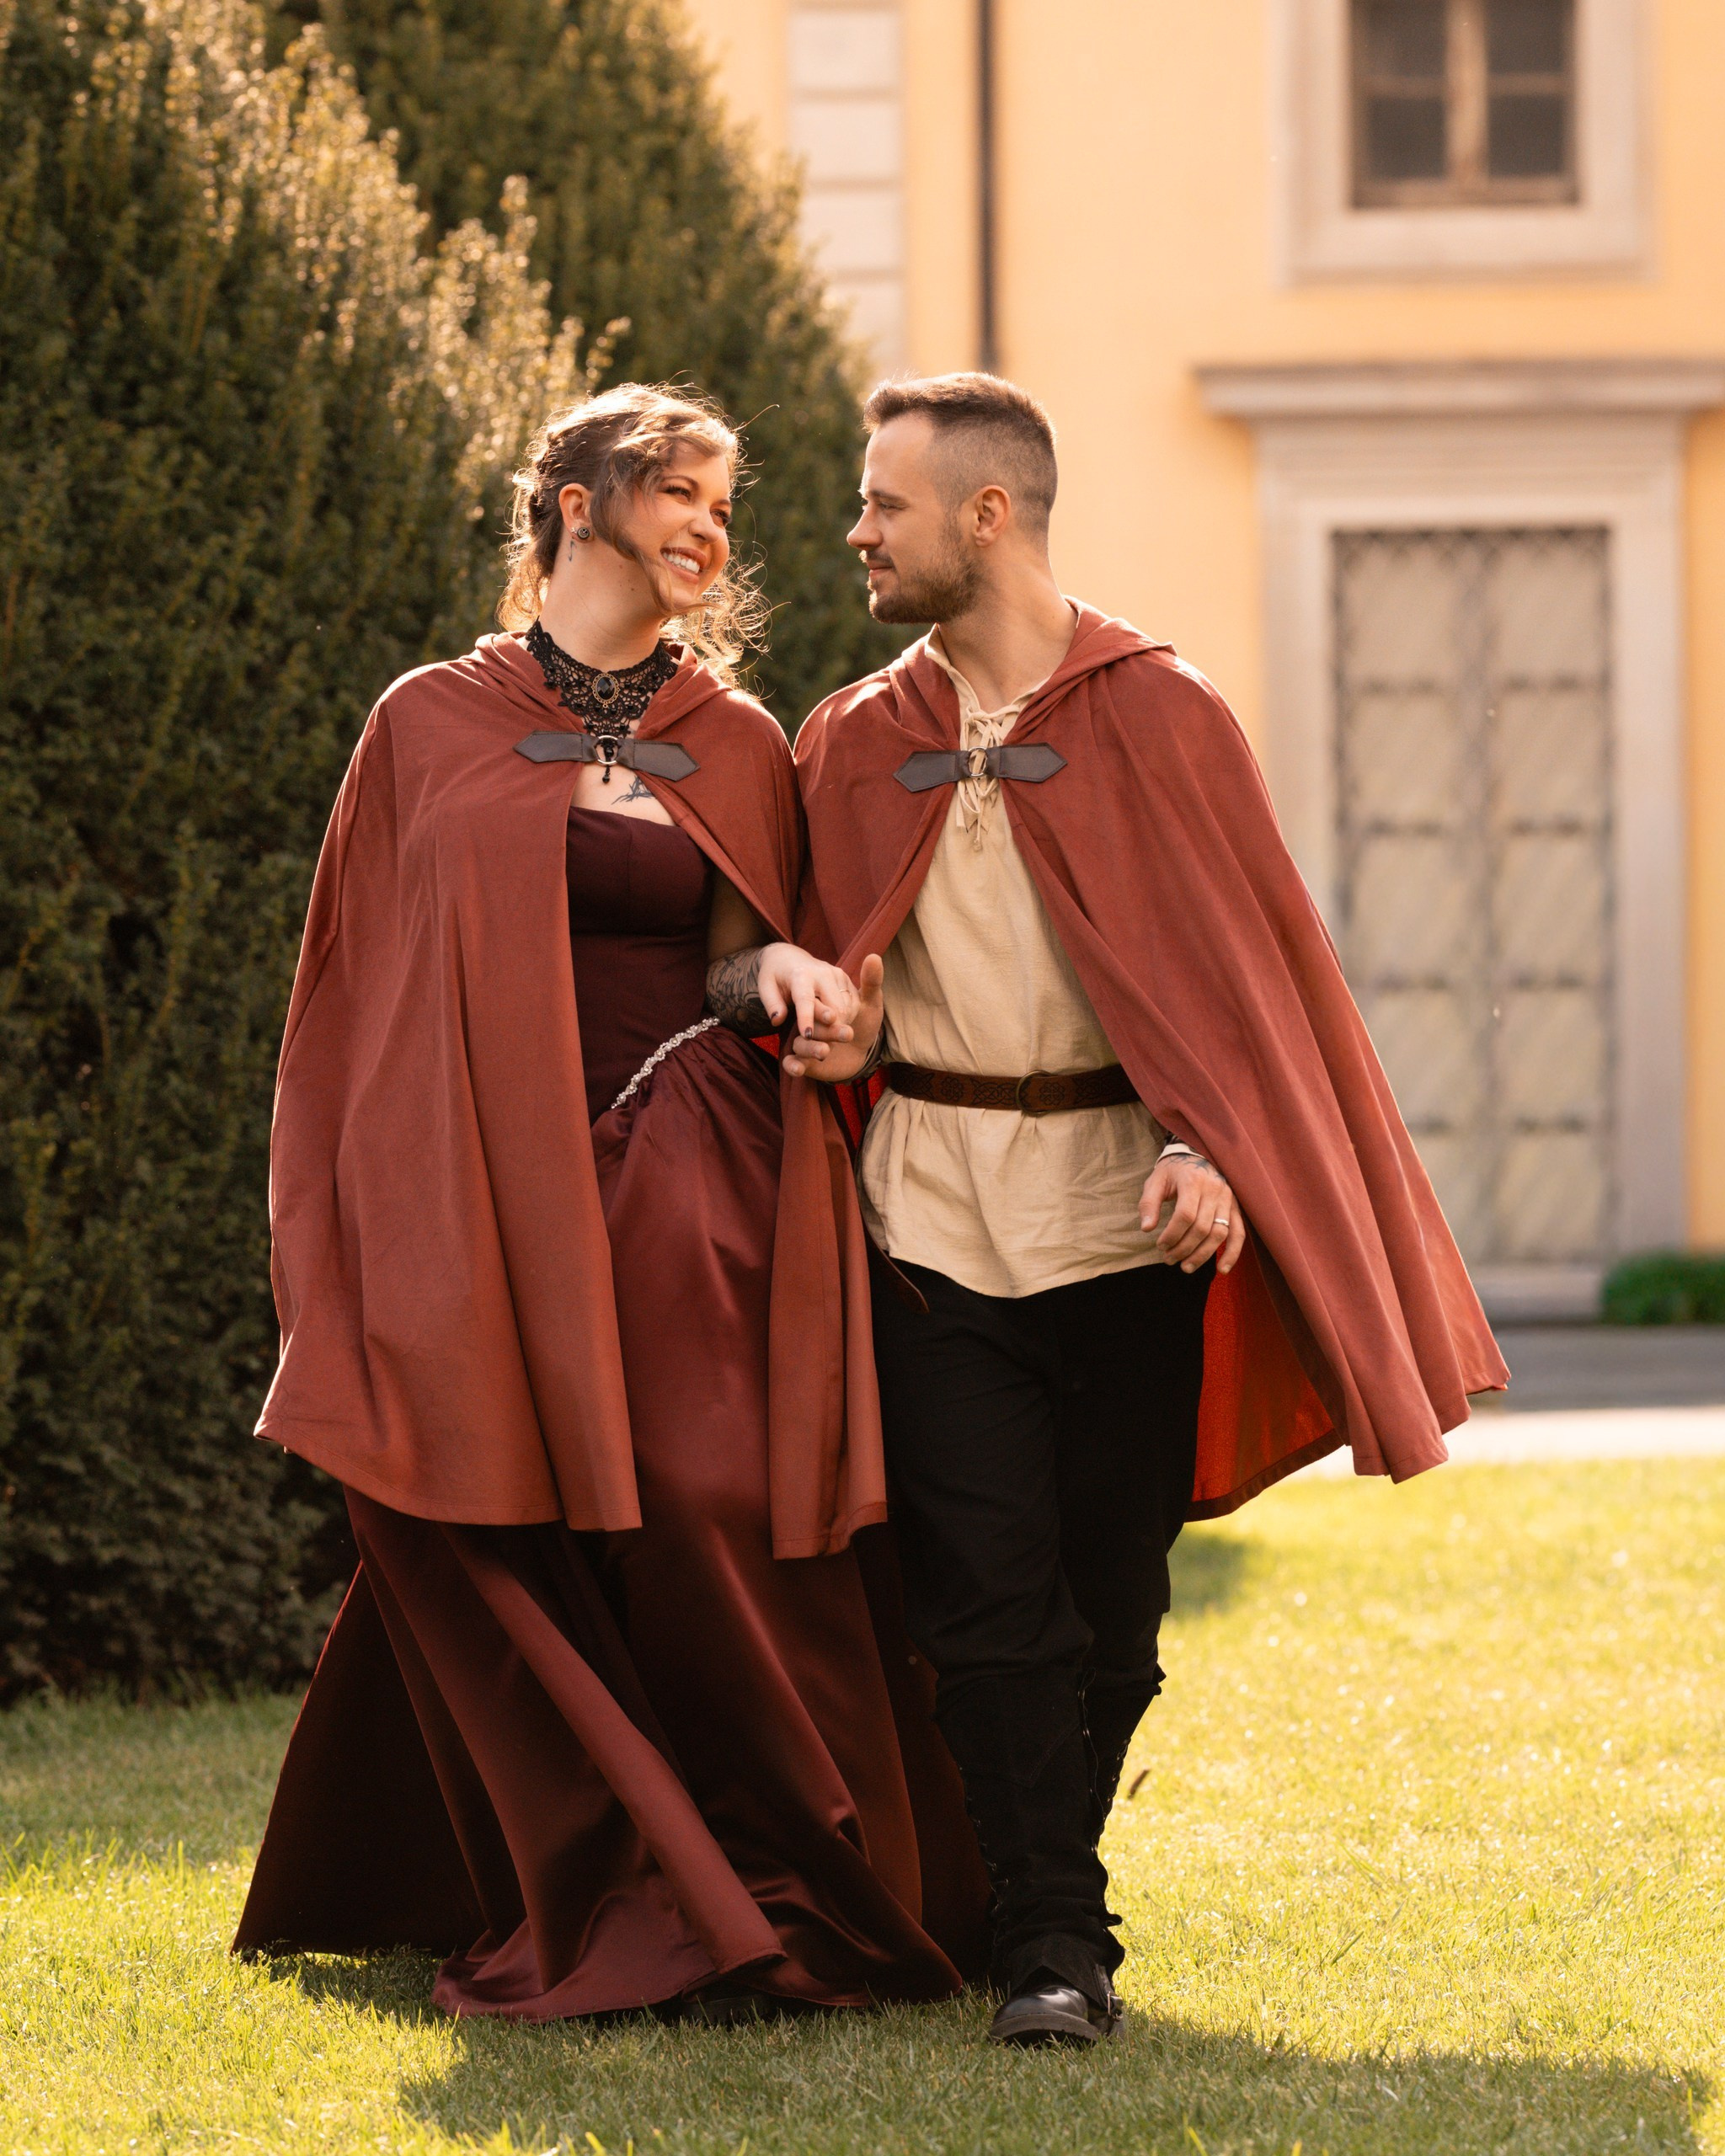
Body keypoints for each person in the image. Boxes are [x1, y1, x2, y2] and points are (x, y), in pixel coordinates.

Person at [765, 372, 1507, 2047]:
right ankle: (1048, 1938)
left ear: (985, 515)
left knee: (1111, 1605)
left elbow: (1247, 995)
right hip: (929, 1217)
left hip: (1126, 1224)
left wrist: (1215, 1149)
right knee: (985, 1595)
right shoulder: (851, 735)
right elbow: (796, 943)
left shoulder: (1164, 717)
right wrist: (823, 1003)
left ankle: (1023, 1888)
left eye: (883, 502)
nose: (855, 531)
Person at [232, 383, 986, 2020]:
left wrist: (784, 968)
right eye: (680, 492)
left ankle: (788, 1882)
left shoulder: (730, 735)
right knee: (492, 1510)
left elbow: (738, 946)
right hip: (479, 1181)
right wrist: (354, 1232)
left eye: (727, 500)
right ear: (575, 504)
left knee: (708, 1496)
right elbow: (356, 997)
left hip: (685, 1166)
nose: (714, 525)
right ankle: (630, 1890)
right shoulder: (429, 722)